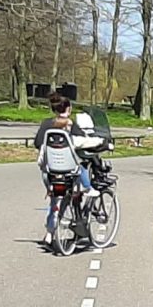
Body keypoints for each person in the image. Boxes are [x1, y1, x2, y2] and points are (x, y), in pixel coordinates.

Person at [34, 93, 95, 245]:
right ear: (68, 108)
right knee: (78, 175)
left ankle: (49, 234)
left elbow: (37, 142)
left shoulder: (46, 124)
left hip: (50, 171)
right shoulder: (70, 124)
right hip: (69, 171)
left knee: (55, 201)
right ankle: (87, 190)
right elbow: (83, 140)